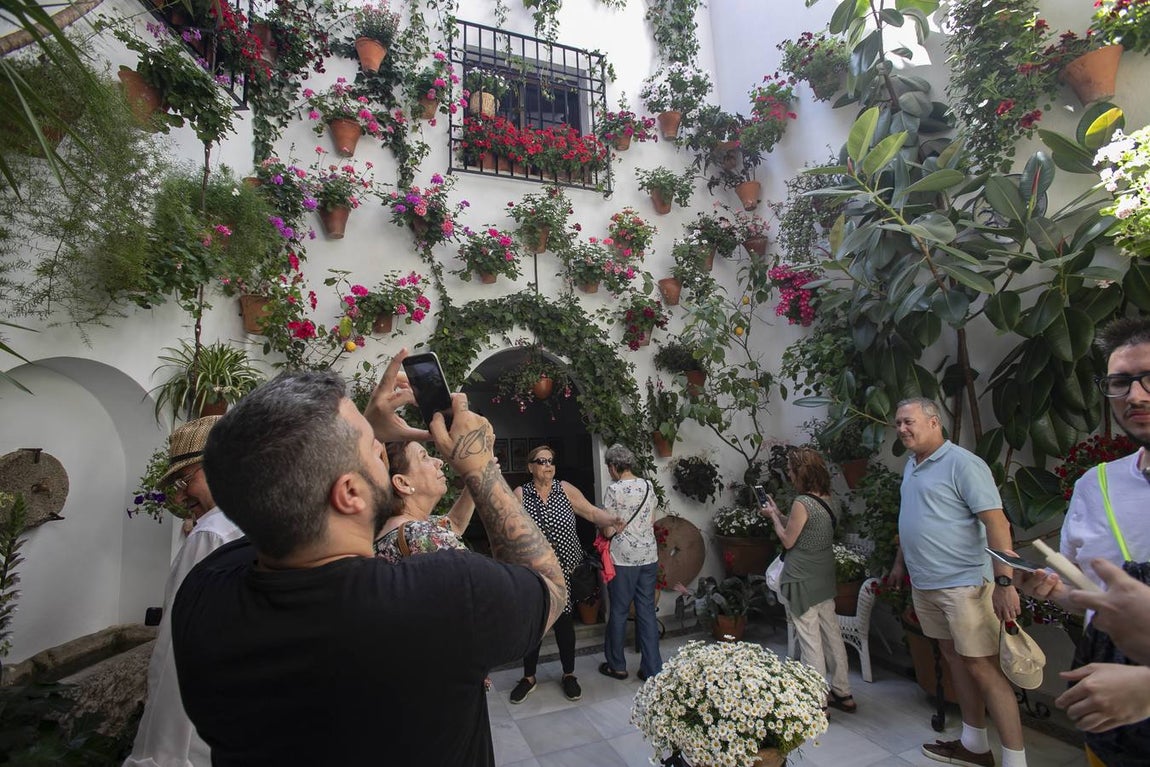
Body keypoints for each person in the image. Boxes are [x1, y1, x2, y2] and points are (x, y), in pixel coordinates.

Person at [170, 352, 567, 767]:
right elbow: (548, 584)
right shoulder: (443, 597)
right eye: (374, 448)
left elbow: (287, 495)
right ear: (349, 494)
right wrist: (481, 466)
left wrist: (352, 442)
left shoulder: (203, 593)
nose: (382, 448)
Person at [1018, 317, 1150, 762]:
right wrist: (1059, 593)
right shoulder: (1097, 487)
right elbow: (1091, 598)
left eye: (1148, 378)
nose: (1135, 395)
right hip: (1108, 730)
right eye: (1120, 383)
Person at [890, 397, 1027, 767]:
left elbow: (997, 524)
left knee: (983, 667)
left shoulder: (963, 464)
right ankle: (974, 745)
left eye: (909, 421)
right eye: (898, 423)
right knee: (955, 660)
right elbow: (913, 518)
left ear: (935, 422)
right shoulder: (912, 465)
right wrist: (900, 564)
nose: (902, 429)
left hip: (966, 585)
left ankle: (1016, 761)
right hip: (927, 584)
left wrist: (1004, 582)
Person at [124, 416, 243, 767]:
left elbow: (178, 645)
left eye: (186, 479)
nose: (178, 494)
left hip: (192, 733)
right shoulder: (259, 523)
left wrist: (162, 750)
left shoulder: (213, 533)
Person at [509, 444, 625, 704]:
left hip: (564, 570)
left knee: (564, 622)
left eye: (551, 461)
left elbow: (590, 511)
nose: (548, 465)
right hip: (535, 572)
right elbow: (511, 528)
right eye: (541, 461)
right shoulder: (521, 494)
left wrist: (609, 520)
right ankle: (528, 678)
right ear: (530, 467)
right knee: (536, 624)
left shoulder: (565, 489)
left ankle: (569, 674)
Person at [761, 446, 856, 713]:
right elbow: (802, 527)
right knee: (831, 633)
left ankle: (817, 699)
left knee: (810, 638)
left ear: (800, 472)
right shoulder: (829, 498)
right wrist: (778, 513)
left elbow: (789, 539)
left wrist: (772, 519)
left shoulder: (803, 503)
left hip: (802, 576)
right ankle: (843, 691)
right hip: (823, 575)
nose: (789, 475)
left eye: (791, 470)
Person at [597, 443, 661, 682]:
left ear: (614, 467)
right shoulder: (647, 485)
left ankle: (617, 665)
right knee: (646, 611)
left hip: (622, 559)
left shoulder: (614, 490)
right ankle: (652, 668)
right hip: (648, 556)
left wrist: (608, 529)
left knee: (620, 611)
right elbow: (652, 519)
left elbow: (606, 529)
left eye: (609, 467)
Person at [374, 440, 475, 561]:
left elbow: (455, 523)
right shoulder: (422, 535)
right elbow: (479, 577)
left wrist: (476, 478)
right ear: (402, 483)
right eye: (424, 457)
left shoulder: (390, 528)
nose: (439, 462)